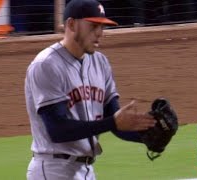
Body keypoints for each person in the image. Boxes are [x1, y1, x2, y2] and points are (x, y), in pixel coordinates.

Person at [24, 0, 156, 179]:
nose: (100, 33)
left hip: (86, 171)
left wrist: (150, 136)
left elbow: (116, 123)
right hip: (54, 169)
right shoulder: (47, 65)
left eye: (102, 27)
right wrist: (113, 122)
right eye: (93, 26)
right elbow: (58, 130)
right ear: (71, 24)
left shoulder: (100, 63)